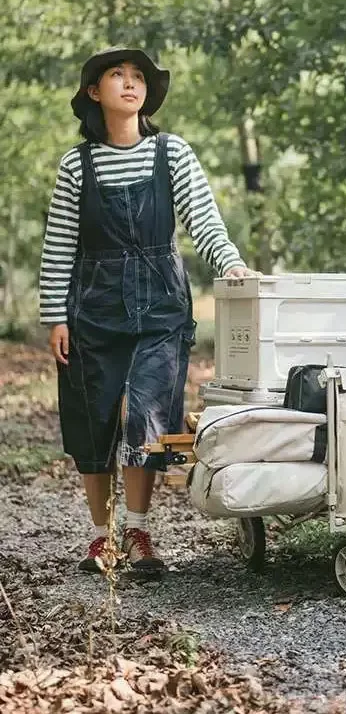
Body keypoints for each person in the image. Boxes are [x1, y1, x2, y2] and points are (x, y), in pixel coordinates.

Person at [39, 47, 258, 573]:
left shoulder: (172, 152)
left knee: (148, 416)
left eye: (138, 77)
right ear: (95, 91)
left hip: (161, 304)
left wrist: (230, 265)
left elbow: (204, 218)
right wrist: (54, 316)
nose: (130, 84)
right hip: (92, 306)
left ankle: (138, 533)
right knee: (91, 421)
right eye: (117, 75)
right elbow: (59, 245)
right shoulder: (78, 163)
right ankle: (100, 538)